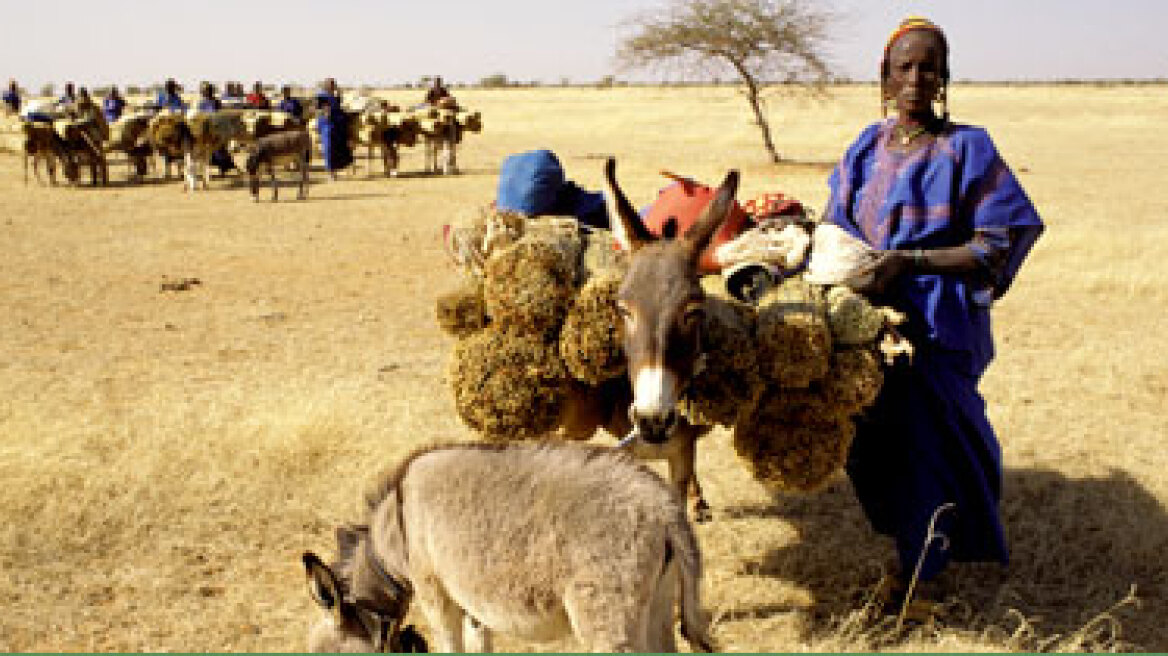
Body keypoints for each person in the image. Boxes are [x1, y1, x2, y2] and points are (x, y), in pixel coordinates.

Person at [823, 17, 1043, 611]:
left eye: (929, 67)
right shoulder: (866, 146)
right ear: (885, 76)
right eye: (905, 67)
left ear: (944, 76)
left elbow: (998, 240)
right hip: (868, 327)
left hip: (937, 326)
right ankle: (910, 555)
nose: (917, 78)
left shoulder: (968, 147)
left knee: (934, 450)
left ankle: (922, 576)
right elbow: (836, 227)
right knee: (875, 447)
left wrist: (910, 260)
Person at [315, 78, 352, 180]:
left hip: (337, 124)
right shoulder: (321, 96)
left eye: (333, 85)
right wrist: (326, 113)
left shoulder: (333, 95)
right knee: (329, 148)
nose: (332, 86)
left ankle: (335, 171)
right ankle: (330, 173)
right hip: (327, 124)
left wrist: (339, 94)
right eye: (331, 85)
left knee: (338, 148)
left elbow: (338, 105)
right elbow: (322, 109)